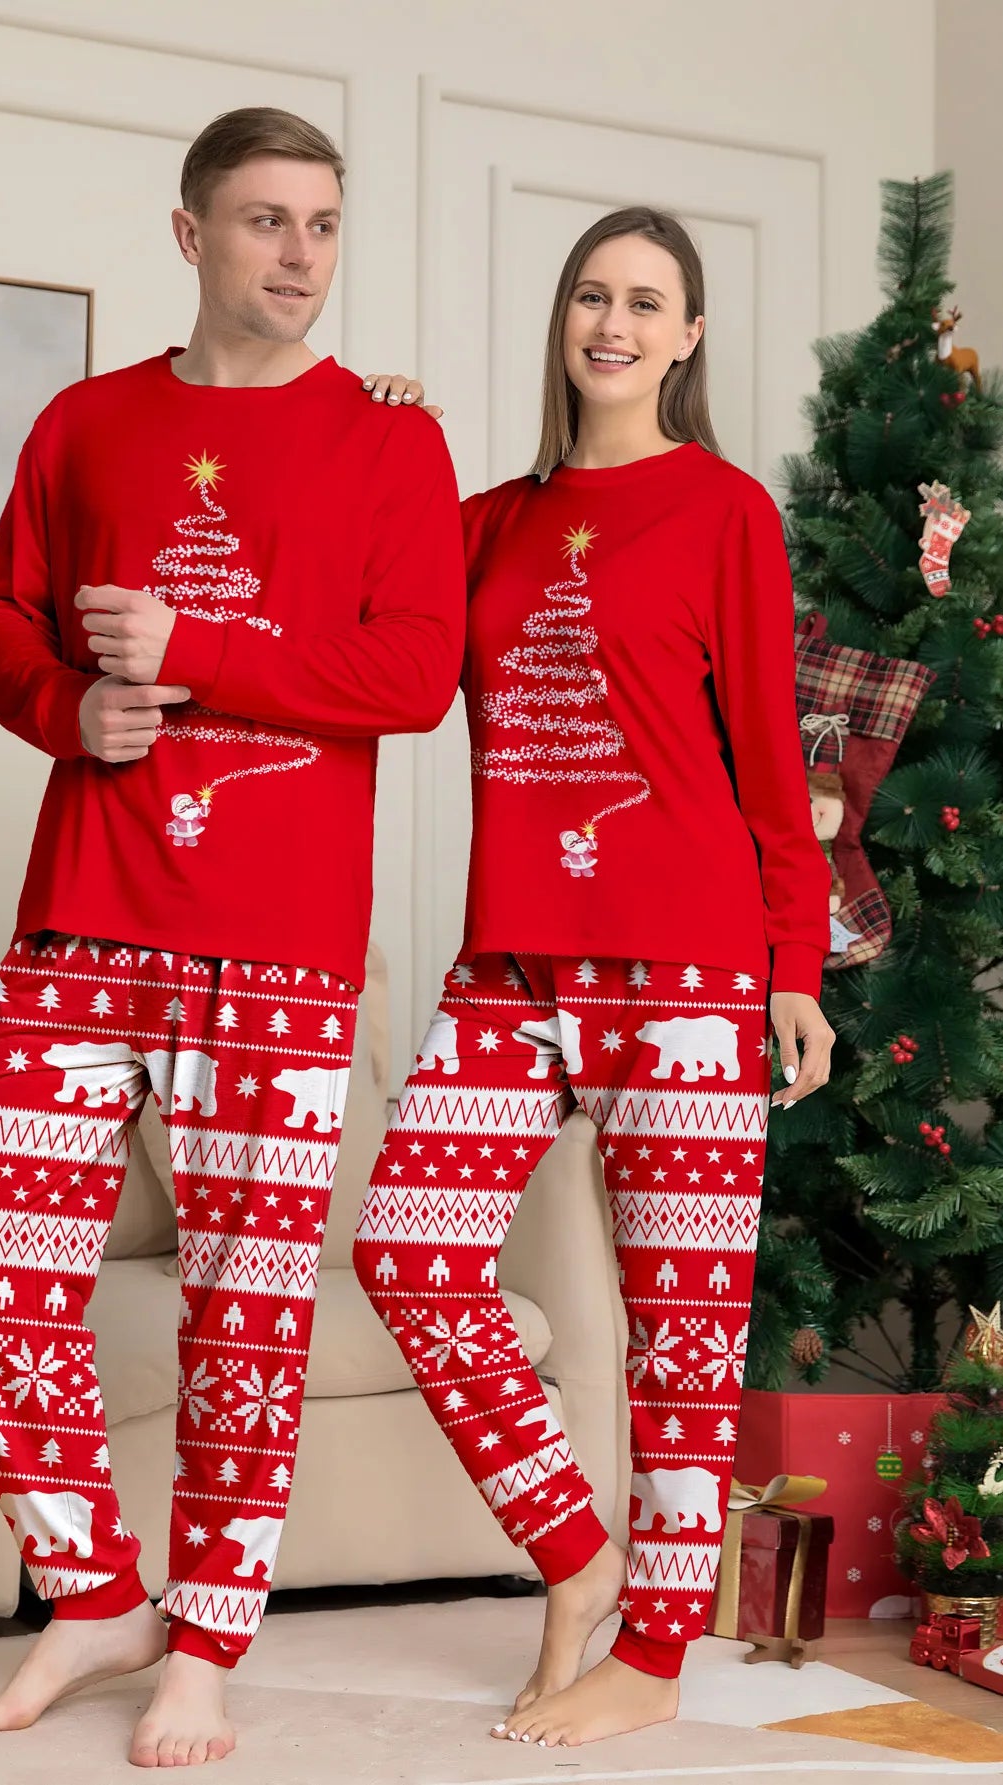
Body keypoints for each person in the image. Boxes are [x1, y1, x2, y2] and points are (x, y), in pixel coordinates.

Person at [0, 105, 464, 1769]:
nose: (298, 254)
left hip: (286, 943)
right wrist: (69, 706)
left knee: (248, 1303)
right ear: (189, 236)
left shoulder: (390, 442)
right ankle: (92, 1590)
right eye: (262, 221)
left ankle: (205, 1644)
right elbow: (0, 614)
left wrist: (198, 650)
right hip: (88, 909)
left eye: (319, 223)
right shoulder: (85, 424)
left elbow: (413, 677)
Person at [353, 208, 834, 1749]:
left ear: (686, 338)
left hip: (688, 969)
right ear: (561, 319)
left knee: (682, 1324)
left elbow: (770, 762)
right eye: (590, 294)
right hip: (510, 959)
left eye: (646, 302)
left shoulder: (720, 512)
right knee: (408, 1251)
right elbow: (392, 662)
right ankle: (576, 1549)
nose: (611, 323)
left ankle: (653, 1647)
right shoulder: (486, 519)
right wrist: (371, 453)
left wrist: (791, 968)